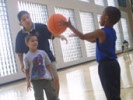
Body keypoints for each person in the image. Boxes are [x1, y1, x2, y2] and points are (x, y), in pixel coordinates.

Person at [61, 6, 121, 100]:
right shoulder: (112, 32)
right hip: (114, 65)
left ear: (106, 18)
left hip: (105, 67)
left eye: (102, 15)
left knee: (111, 96)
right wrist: (79, 35)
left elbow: (83, 36)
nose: (100, 17)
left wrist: (70, 26)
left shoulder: (101, 32)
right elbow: (93, 40)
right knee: (115, 94)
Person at [15, 10, 66, 98]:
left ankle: (55, 98)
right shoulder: (20, 35)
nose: (27, 20)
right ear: (21, 22)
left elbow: (52, 33)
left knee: (54, 79)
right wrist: (21, 64)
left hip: (48, 59)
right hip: (33, 63)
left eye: (28, 17)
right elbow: (19, 52)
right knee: (38, 84)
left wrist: (60, 36)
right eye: (24, 19)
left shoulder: (41, 27)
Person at [24, 34, 57, 100]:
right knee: (39, 97)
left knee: (52, 95)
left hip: (47, 79)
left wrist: (51, 75)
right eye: (32, 41)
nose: (35, 42)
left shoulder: (43, 53)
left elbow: (48, 65)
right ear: (27, 43)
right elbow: (27, 70)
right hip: (36, 81)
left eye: (36, 40)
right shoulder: (27, 57)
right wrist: (28, 81)